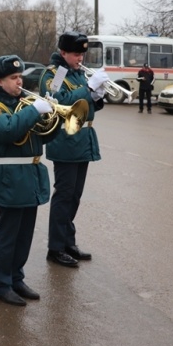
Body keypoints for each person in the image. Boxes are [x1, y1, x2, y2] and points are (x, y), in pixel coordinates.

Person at [0, 55, 60, 306]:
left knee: (25, 233)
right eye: (14, 78)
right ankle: (1, 284)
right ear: (0, 81)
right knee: (9, 233)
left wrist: (54, 117)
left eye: (20, 77)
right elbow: (8, 130)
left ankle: (16, 277)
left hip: (31, 174)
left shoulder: (24, 103)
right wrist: (33, 110)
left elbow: (42, 138)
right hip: (10, 176)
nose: (20, 81)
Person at [38, 32, 109, 268]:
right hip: (67, 140)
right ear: (63, 53)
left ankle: (68, 241)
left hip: (83, 138)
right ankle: (55, 248)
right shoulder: (55, 74)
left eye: (82, 54)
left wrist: (97, 97)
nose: (80, 58)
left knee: (75, 196)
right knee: (64, 195)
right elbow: (58, 100)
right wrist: (88, 88)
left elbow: (85, 106)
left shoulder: (78, 72)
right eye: (76, 54)